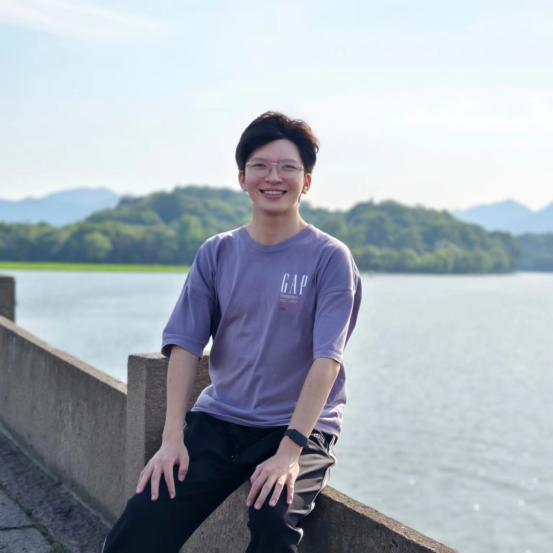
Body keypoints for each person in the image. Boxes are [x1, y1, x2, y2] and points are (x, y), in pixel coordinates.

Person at [101, 112, 362, 552]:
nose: (273, 177)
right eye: (260, 166)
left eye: (287, 167)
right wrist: (172, 439)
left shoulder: (330, 258)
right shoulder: (218, 252)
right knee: (141, 525)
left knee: (273, 520)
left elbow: (328, 360)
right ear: (242, 178)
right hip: (221, 419)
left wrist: (289, 452)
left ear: (307, 181)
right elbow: (185, 344)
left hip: (297, 426)